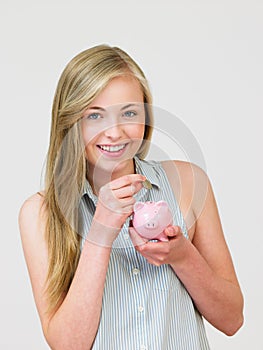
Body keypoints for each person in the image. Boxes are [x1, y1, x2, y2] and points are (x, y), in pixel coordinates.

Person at [19, 44, 244, 350]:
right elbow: (67, 345)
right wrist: (100, 232)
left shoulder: (187, 182)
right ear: (70, 122)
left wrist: (181, 256)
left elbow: (232, 319)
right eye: (94, 115)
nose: (115, 132)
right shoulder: (41, 213)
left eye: (128, 113)